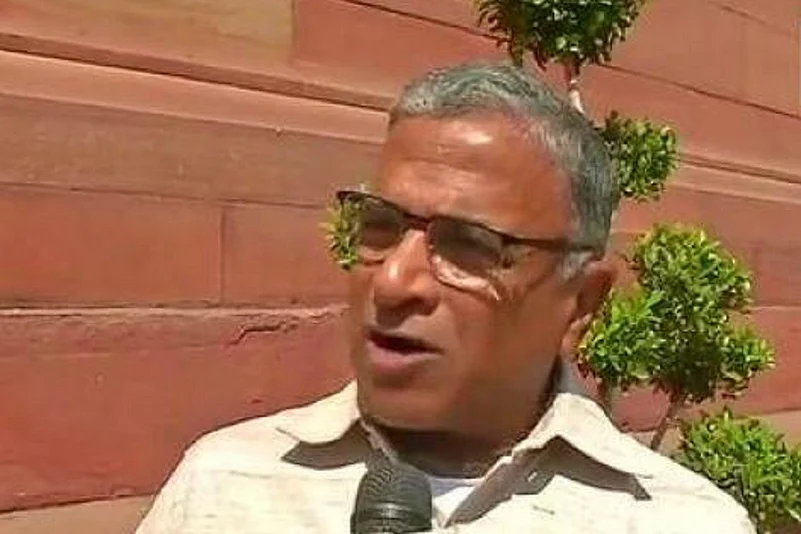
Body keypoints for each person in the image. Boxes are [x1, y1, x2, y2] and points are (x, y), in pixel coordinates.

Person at [135, 63, 755, 533]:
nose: (393, 282)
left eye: (469, 246)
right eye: (380, 226)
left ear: (580, 304)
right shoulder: (222, 488)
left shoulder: (681, 522)